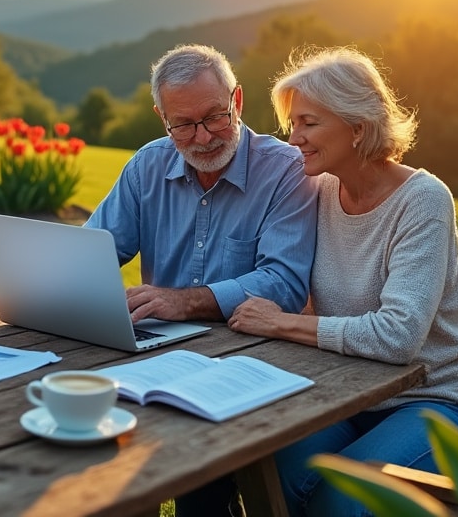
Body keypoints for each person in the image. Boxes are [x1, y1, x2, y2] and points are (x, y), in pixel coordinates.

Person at [226, 45, 458, 517]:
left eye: (309, 123)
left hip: (441, 399)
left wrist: (281, 323)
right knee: (267, 464)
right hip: (352, 394)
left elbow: (398, 336)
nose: (295, 139)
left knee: (343, 495)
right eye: (294, 124)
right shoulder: (320, 189)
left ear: (357, 126)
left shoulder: (424, 200)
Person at [86, 43, 320, 517]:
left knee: (199, 484)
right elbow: (93, 253)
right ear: (162, 119)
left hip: (250, 359)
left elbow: (286, 282)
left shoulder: (286, 170)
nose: (203, 137)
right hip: (160, 357)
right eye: (183, 124)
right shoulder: (147, 166)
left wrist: (185, 302)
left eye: (215, 117)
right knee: (98, 455)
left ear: (236, 102)